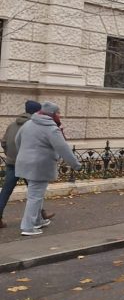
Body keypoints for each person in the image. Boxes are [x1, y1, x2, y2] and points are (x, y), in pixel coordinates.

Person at [14, 102, 81, 236]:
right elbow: (63, 148)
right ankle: (27, 227)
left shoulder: (28, 124)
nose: (59, 115)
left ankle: (37, 220)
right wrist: (76, 164)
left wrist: (24, 155)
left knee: (36, 194)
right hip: (40, 166)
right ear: (52, 114)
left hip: (25, 163)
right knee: (35, 196)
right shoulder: (51, 129)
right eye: (58, 113)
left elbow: (17, 140)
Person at [0, 101, 56, 229]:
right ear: (37, 111)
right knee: (35, 192)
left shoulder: (12, 125)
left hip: (12, 163)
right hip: (29, 164)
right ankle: (39, 216)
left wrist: (10, 154)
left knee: (6, 191)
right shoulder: (34, 126)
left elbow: (4, 142)